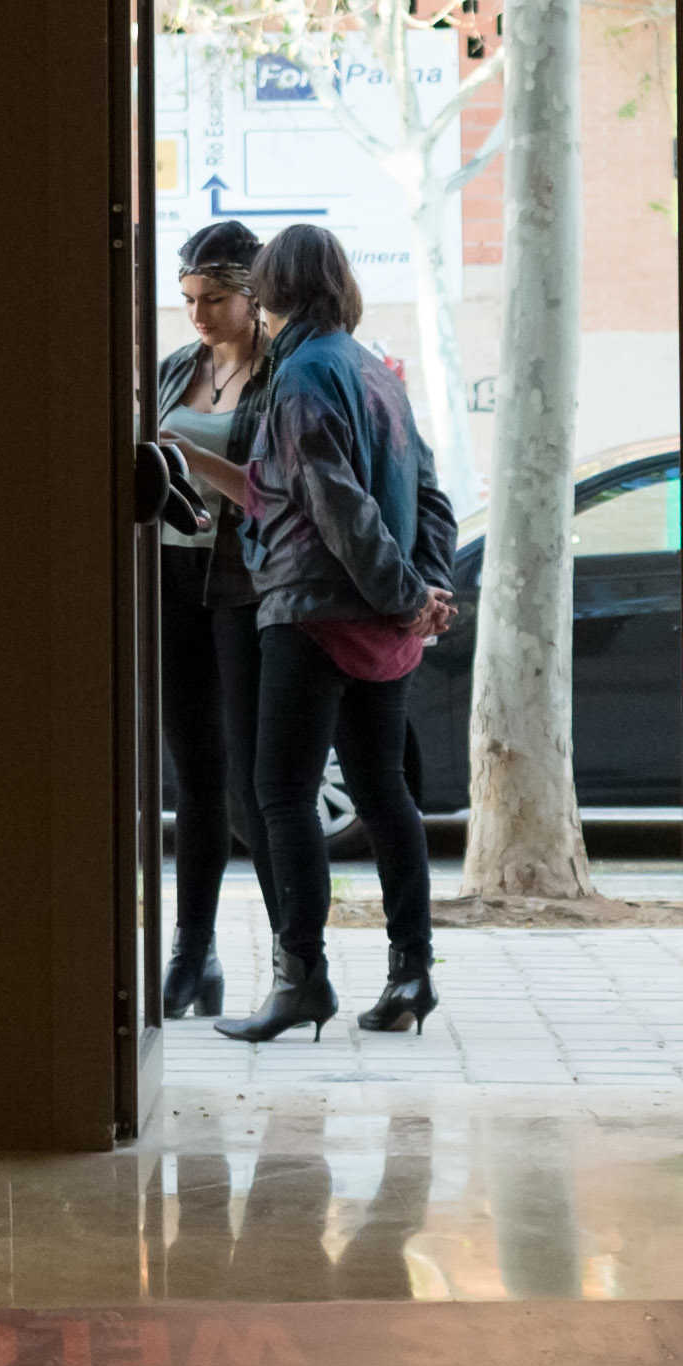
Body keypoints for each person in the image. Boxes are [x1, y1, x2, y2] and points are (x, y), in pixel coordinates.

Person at [218, 221, 459, 1044]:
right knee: (386, 792)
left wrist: (405, 596)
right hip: (382, 622)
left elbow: (334, 503)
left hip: (313, 610)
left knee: (281, 795)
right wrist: (427, 590)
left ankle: (302, 981)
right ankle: (412, 972)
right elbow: (430, 494)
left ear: (271, 289)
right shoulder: (375, 370)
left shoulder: (301, 376)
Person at [141, 219, 267, 1022]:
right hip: (170, 573)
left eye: (215, 299)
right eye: (188, 299)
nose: (198, 315)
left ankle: (295, 959)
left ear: (254, 296)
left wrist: (186, 457)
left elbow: (277, 491)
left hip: (245, 582)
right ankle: (193, 955)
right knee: (193, 774)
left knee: (256, 782)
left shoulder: (283, 375)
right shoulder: (174, 369)